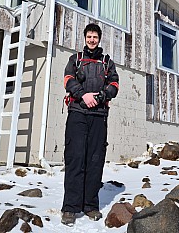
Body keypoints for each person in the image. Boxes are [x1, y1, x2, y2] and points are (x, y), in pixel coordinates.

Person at [61, 23, 119, 226]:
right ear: (85, 38)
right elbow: (68, 80)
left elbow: (114, 84)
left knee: (95, 160)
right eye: (89, 36)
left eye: (95, 37)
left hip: (99, 115)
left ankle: (91, 205)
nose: (92, 40)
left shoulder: (106, 62)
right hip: (77, 113)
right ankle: (70, 207)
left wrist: (102, 96)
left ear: (99, 39)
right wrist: (83, 95)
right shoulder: (75, 59)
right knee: (75, 158)